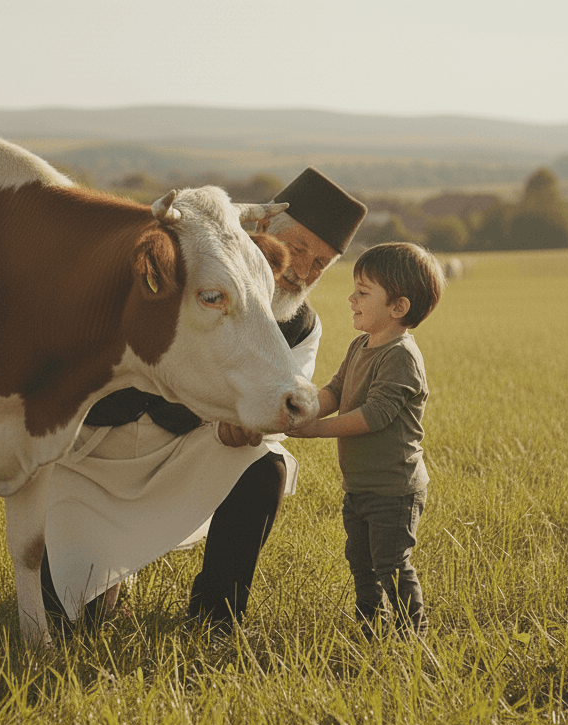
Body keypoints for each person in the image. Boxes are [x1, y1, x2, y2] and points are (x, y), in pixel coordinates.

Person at [30, 168, 368, 635]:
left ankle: (216, 617)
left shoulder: (303, 328)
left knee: (265, 462)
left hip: (188, 453)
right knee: (65, 621)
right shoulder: (176, 269)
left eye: (320, 264)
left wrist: (250, 426)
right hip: (94, 453)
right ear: (262, 231)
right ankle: (97, 582)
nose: (300, 270)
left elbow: (284, 400)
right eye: (298, 248)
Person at [287, 242, 445, 636]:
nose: (351, 298)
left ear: (398, 307)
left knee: (391, 563)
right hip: (359, 485)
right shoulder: (360, 346)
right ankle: (371, 625)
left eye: (362, 292)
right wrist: (304, 411)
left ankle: (414, 633)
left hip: (394, 488)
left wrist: (314, 430)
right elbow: (336, 391)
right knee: (360, 559)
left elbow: (374, 415)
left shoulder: (401, 356)